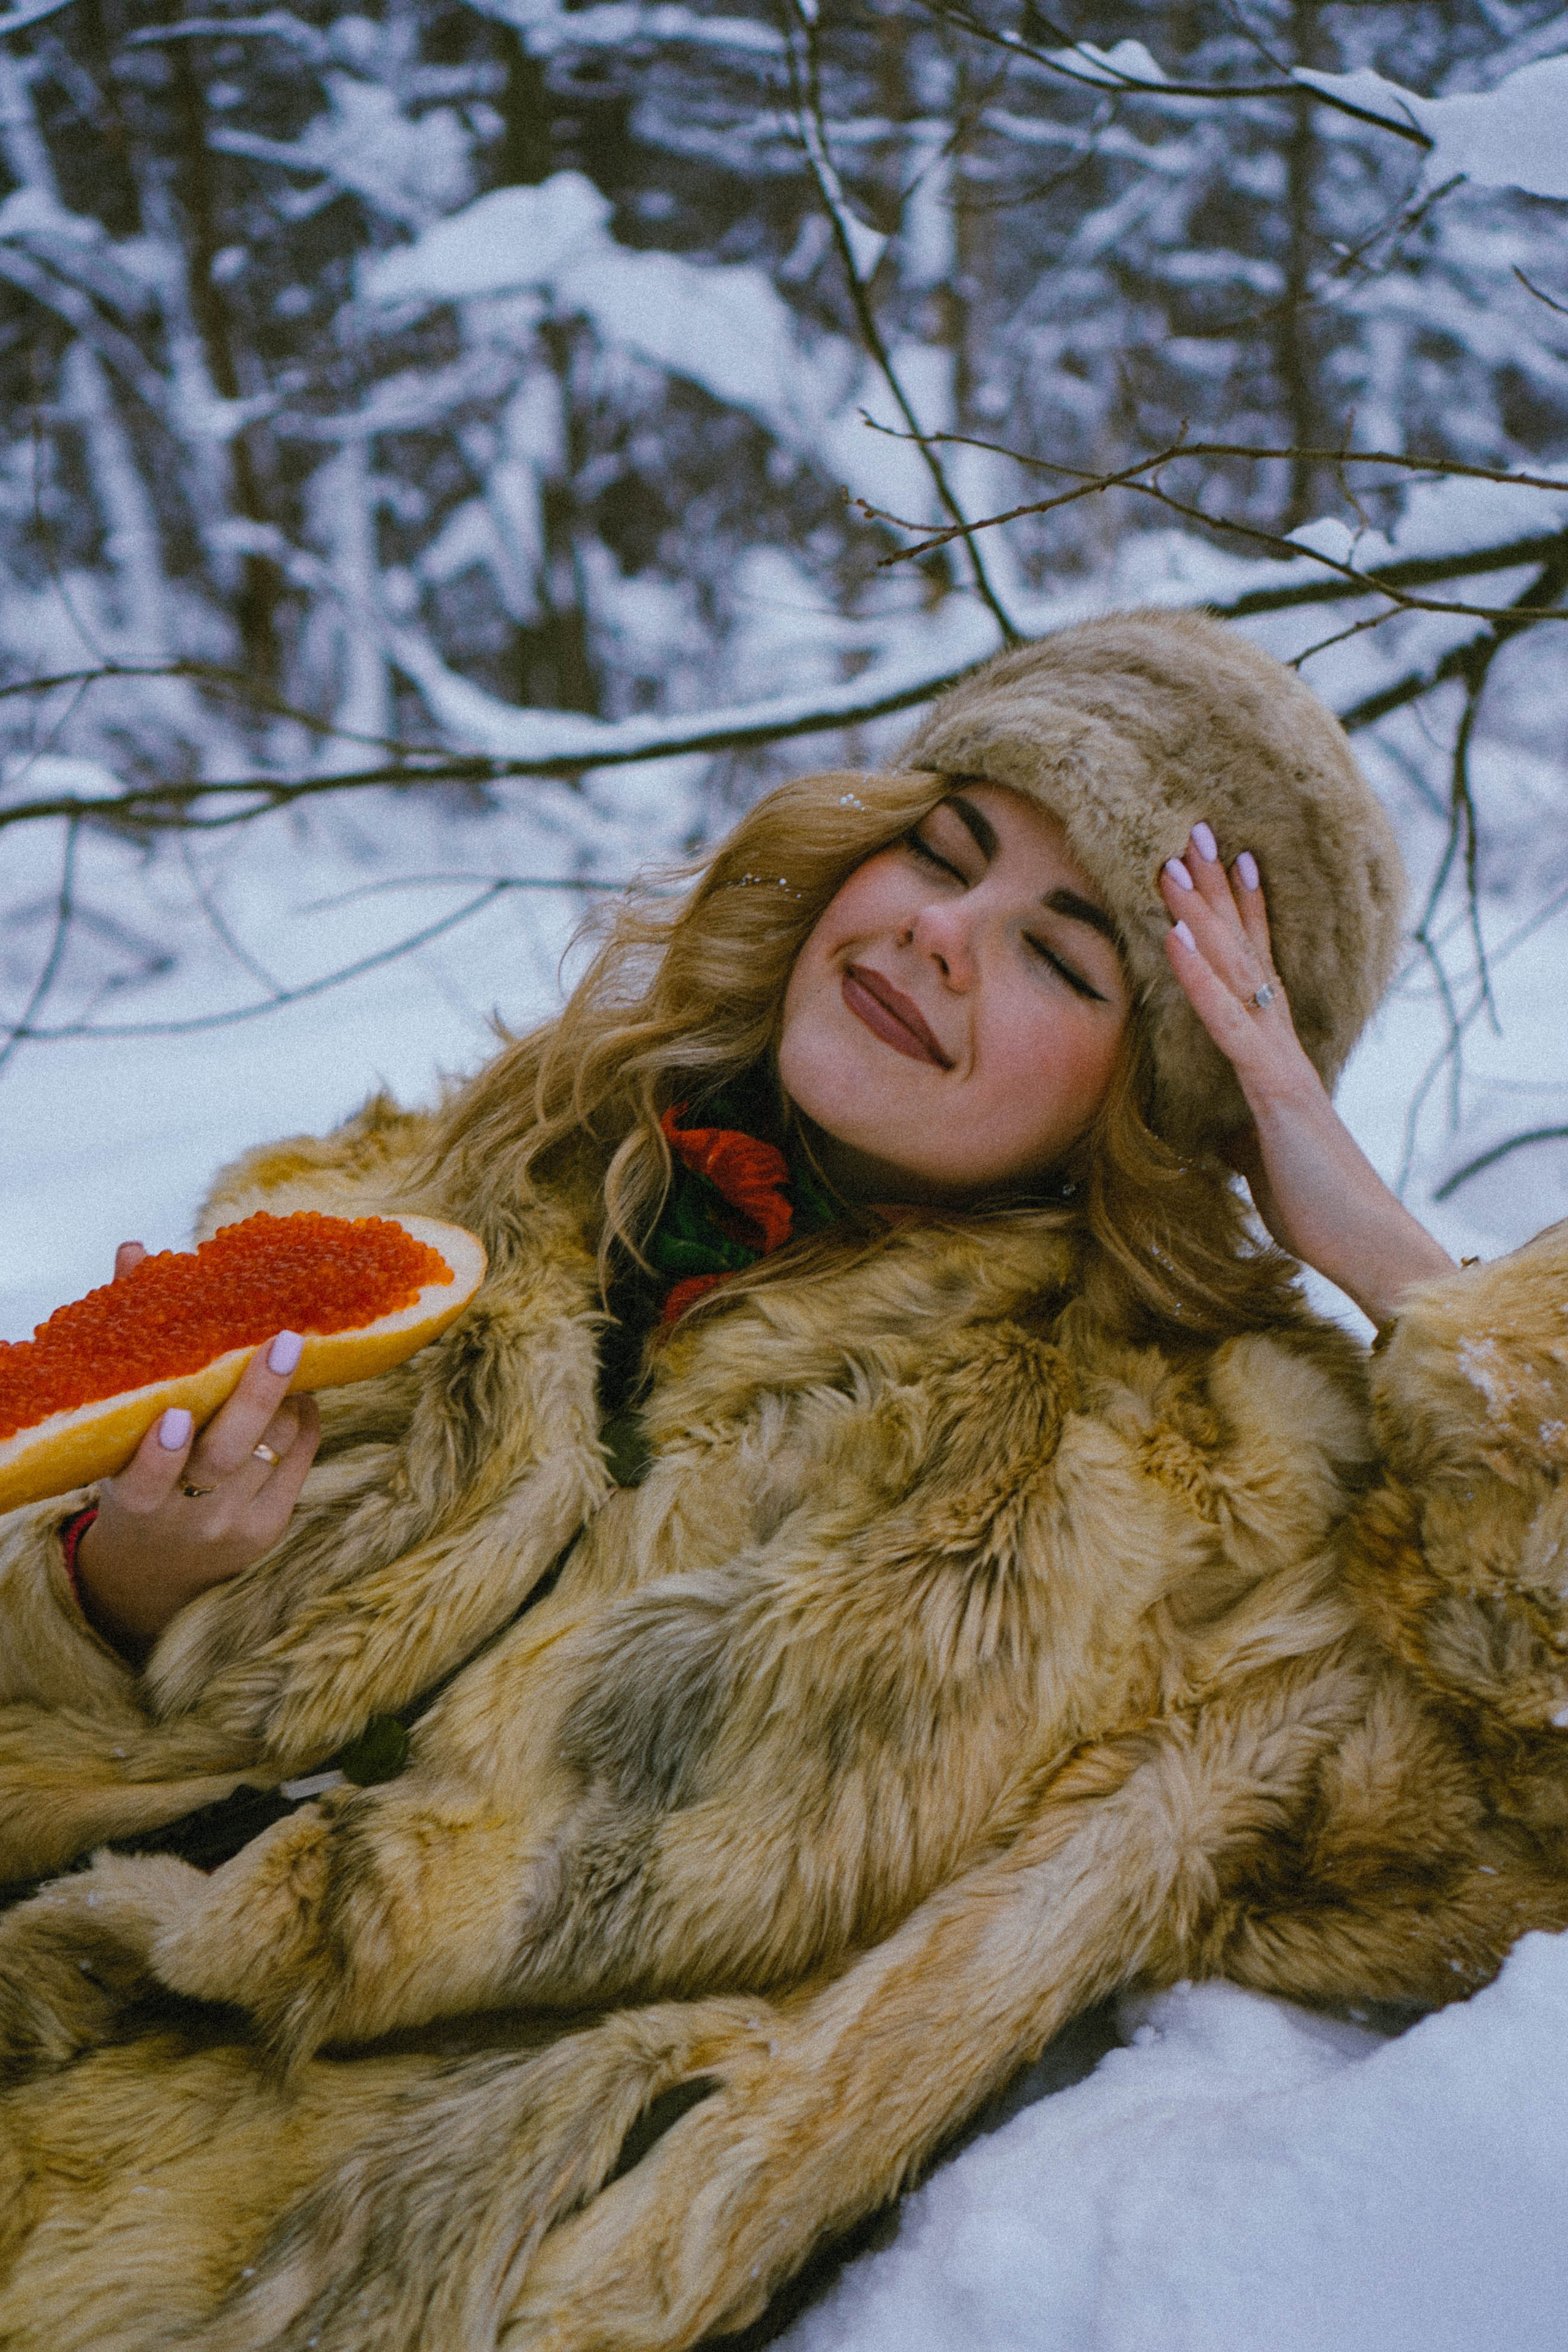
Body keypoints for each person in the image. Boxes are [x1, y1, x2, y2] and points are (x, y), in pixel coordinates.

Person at [1, 608, 1565, 2352]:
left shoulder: (1193, 1491)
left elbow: (1518, 1839)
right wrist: (100, 1598)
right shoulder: (432, 1192)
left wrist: (1413, 1285)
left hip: (308, 2266)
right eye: (943, 850)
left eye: (1065, 957)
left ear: (1172, 1088)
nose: (941, 937)